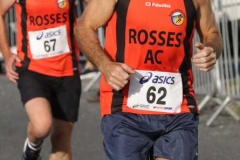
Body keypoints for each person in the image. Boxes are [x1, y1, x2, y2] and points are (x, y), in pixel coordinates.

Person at [74, 0, 222, 160]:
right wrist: (105, 65)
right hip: (125, 108)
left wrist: (211, 50)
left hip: (178, 107)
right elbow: (84, 27)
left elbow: (211, 32)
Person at [0, 0, 82, 160]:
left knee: (62, 140)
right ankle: (32, 147)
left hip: (67, 70)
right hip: (32, 69)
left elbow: (101, 4)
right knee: (42, 126)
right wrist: (7, 54)